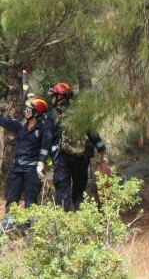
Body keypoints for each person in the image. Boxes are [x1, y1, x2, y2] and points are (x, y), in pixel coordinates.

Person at [47, 82, 107, 212]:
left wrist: (42, 159)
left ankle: (64, 220)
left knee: (62, 189)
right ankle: (81, 219)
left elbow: (47, 137)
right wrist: (102, 150)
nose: (52, 98)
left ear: (59, 97)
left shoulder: (54, 114)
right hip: (81, 157)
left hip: (62, 158)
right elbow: (93, 133)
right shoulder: (81, 113)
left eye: (53, 95)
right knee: (79, 190)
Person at [0, 96, 53, 231]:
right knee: (12, 196)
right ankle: (8, 225)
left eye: (28, 109)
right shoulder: (21, 126)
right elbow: (5, 121)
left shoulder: (42, 130)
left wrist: (41, 162)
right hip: (17, 168)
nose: (25, 111)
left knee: (30, 199)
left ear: (35, 112)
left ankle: (30, 227)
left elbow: (46, 145)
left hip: (32, 171)